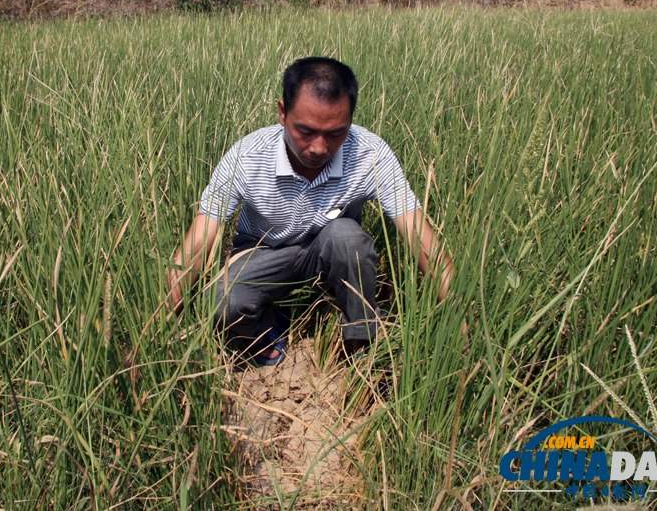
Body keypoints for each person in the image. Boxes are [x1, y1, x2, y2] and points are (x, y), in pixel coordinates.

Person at [165, 57, 454, 366]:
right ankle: (265, 335)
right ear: (282, 112)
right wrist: (161, 323)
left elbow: (419, 235)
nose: (318, 147)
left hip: (329, 254)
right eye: (305, 131)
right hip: (264, 254)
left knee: (347, 237)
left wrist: (459, 317)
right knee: (222, 300)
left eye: (335, 133)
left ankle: (360, 343)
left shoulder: (369, 153)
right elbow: (200, 241)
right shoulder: (248, 157)